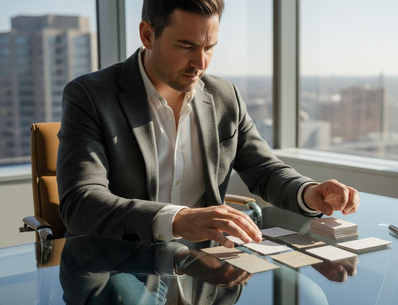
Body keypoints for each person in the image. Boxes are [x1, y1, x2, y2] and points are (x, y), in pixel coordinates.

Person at [57, 0, 360, 247]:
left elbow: (265, 171)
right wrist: (179, 220)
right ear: (147, 35)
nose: (200, 63)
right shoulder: (91, 96)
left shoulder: (224, 96)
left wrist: (308, 192)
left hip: (208, 266)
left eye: (210, 47)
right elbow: (81, 203)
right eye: (186, 46)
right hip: (118, 263)